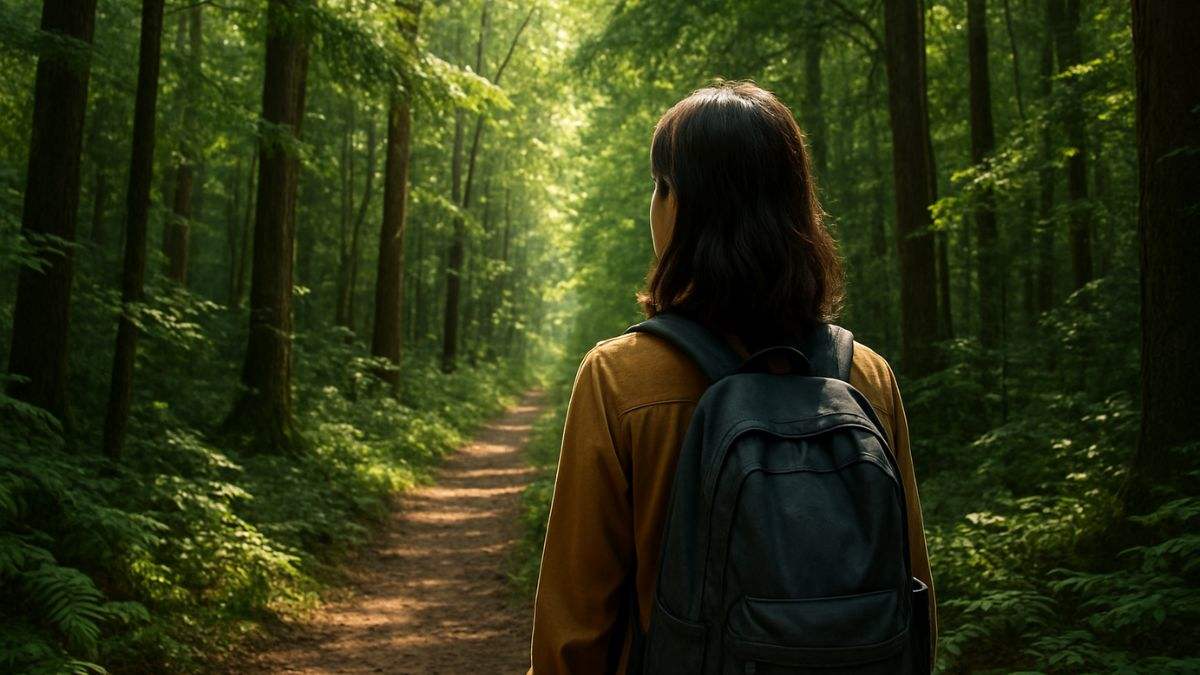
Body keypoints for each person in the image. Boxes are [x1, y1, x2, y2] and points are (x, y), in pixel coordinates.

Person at [528, 80, 937, 674]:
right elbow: (914, 598)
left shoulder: (619, 381)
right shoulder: (865, 378)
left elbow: (575, 629)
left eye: (658, 185)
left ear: (677, 203)